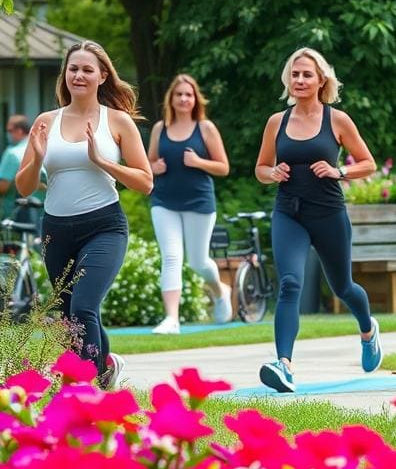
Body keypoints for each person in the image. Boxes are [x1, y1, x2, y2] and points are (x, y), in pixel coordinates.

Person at [15, 40, 153, 389]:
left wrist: (102, 160)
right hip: (56, 231)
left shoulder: (117, 121)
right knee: (67, 317)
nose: (79, 75)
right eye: (73, 68)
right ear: (66, 75)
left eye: (87, 69)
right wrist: (36, 155)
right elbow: (24, 187)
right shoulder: (46, 121)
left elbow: (145, 181)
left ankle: (85, 389)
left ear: (103, 75)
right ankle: (105, 367)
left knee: (83, 306)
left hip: (104, 226)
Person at [254, 47, 382, 393]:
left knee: (343, 287)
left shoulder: (337, 120)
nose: (299, 80)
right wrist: (273, 172)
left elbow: (367, 163)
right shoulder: (276, 122)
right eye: (294, 74)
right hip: (288, 213)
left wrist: (339, 171)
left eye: (306, 74)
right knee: (290, 284)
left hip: (328, 213)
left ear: (321, 79)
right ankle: (284, 365)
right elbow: (260, 168)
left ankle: (368, 329)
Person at [148, 74, 232, 334]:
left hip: (198, 201)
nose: (184, 99)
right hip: (164, 201)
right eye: (179, 94)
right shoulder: (159, 128)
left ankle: (221, 290)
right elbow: (147, 164)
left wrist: (199, 162)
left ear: (195, 99)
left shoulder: (205, 128)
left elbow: (223, 167)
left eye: (188, 94)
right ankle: (172, 319)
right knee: (171, 257)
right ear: (170, 99)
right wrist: (155, 167)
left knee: (198, 262)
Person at [0, 115, 30, 219]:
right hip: (42, 210)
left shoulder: (12, 153)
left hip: (16, 214)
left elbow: (3, 187)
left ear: (20, 131)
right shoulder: (39, 147)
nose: (8, 134)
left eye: (10, 130)